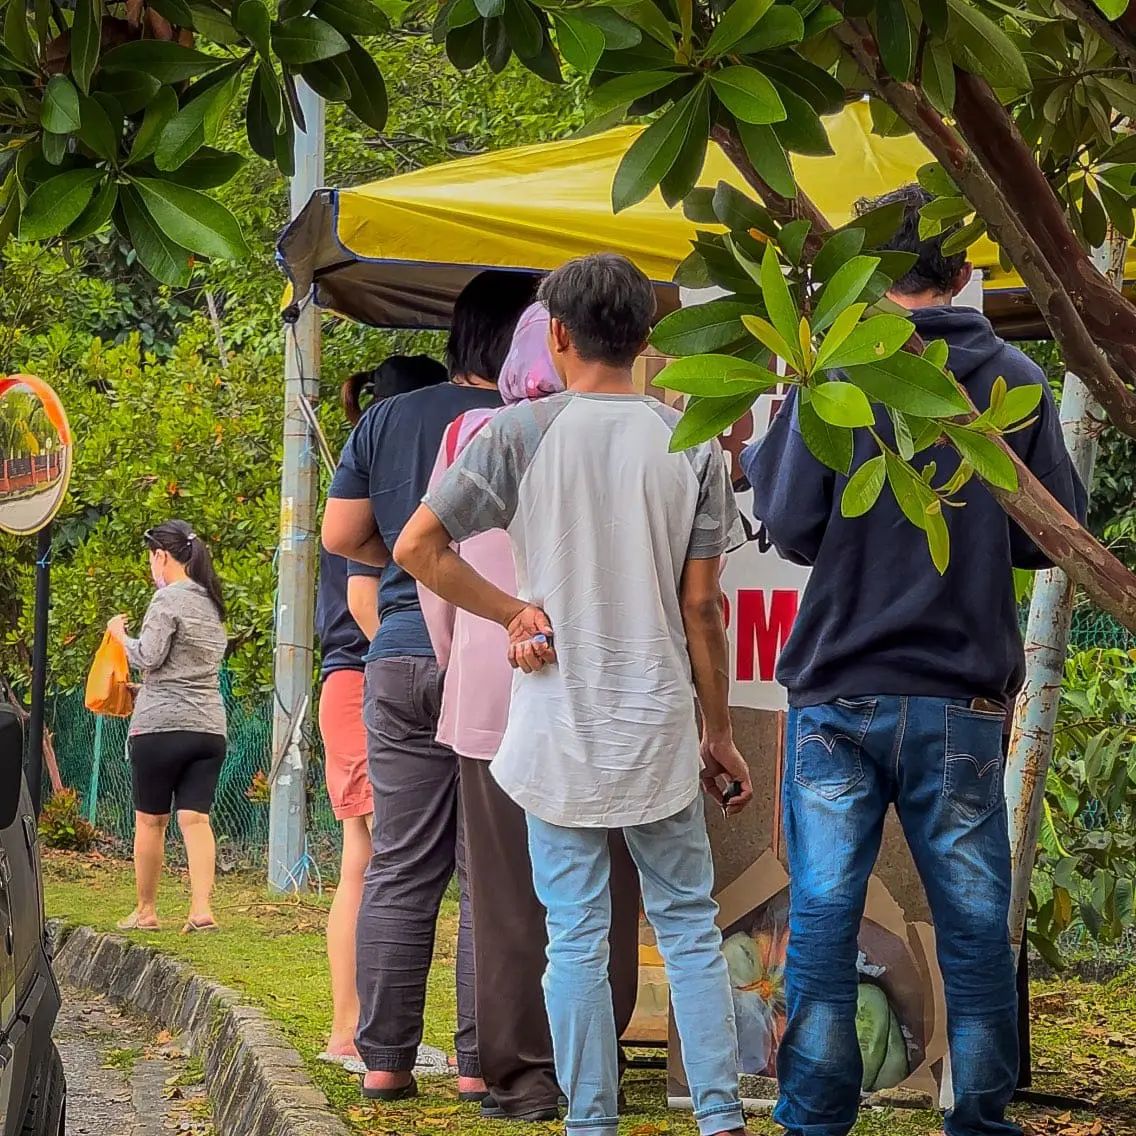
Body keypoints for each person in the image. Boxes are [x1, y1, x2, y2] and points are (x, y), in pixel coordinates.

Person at [740, 184, 1088, 1136]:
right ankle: (976, 1114)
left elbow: (787, 522)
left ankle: (814, 1114)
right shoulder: (1013, 376)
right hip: (962, 697)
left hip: (839, 689)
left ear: (867, 274)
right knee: (974, 922)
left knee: (819, 911)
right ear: (968, 273)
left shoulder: (840, 370)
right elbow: (1047, 535)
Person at [394, 254, 753, 1136]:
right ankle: (720, 1118)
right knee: (689, 929)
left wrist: (514, 611)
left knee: (576, 939)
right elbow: (701, 608)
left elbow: (416, 547)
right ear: (647, 341)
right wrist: (720, 732)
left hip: (557, 724)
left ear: (556, 335)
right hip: (660, 722)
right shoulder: (690, 441)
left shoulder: (518, 434)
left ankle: (589, 1122)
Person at [418, 303, 641, 1123]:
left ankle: (520, 1079)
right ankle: (594, 1066)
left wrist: (463, 662)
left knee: (508, 900)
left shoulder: (477, 437)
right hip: (606, 694)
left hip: (492, 690)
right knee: (607, 896)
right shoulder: (633, 436)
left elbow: (427, 566)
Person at [321, 269, 538, 1102]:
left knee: (400, 867)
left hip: (400, 652)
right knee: (490, 868)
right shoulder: (524, 424)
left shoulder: (388, 417)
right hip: (496, 658)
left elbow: (346, 536)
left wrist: (416, 569)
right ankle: (480, 1064)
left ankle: (384, 1062)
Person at [316, 354, 447, 1071]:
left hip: (357, 679)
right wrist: (416, 662)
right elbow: (368, 604)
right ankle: (354, 1030)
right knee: (371, 861)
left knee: (366, 861)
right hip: (365, 677)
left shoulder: (361, 472)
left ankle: (359, 1029)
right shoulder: (385, 481)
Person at [109, 520, 228, 935]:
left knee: (151, 821)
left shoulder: (167, 599)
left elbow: (150, 655)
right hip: (208, 727)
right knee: (196, 820)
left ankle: (145, 911)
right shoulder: (213, 603)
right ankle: (200, 909)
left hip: (161, 728)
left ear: (161, 556)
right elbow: (190, 667)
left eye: (150, 557)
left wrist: (120, 636)